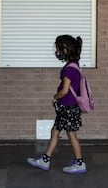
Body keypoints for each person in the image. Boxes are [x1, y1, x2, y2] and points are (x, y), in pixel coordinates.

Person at [27, 35, 87, 174]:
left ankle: (79, 163)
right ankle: (45, 160)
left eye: (59, 48)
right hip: (69, 107)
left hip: (67, 107)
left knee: (71, 134)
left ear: (66, 49)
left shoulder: (69, 69)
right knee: (55, 131)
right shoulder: (74, 65)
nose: (58, 51)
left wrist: (55, 97)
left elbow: (65, 90)